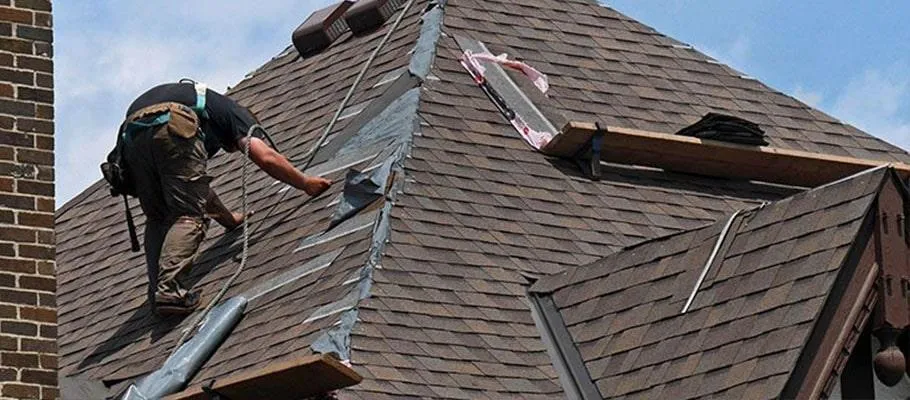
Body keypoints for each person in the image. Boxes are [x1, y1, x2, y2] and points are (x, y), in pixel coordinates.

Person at [120, 80, 331, 316]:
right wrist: (305, 183)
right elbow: (266, 157)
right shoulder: (236, 115)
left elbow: (197, 189)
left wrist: (229, 220)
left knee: (158, 217)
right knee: (189, 215)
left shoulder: (201, 111)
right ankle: (169, 291)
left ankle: (157, 294)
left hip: (132, 134)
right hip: (171, 122)